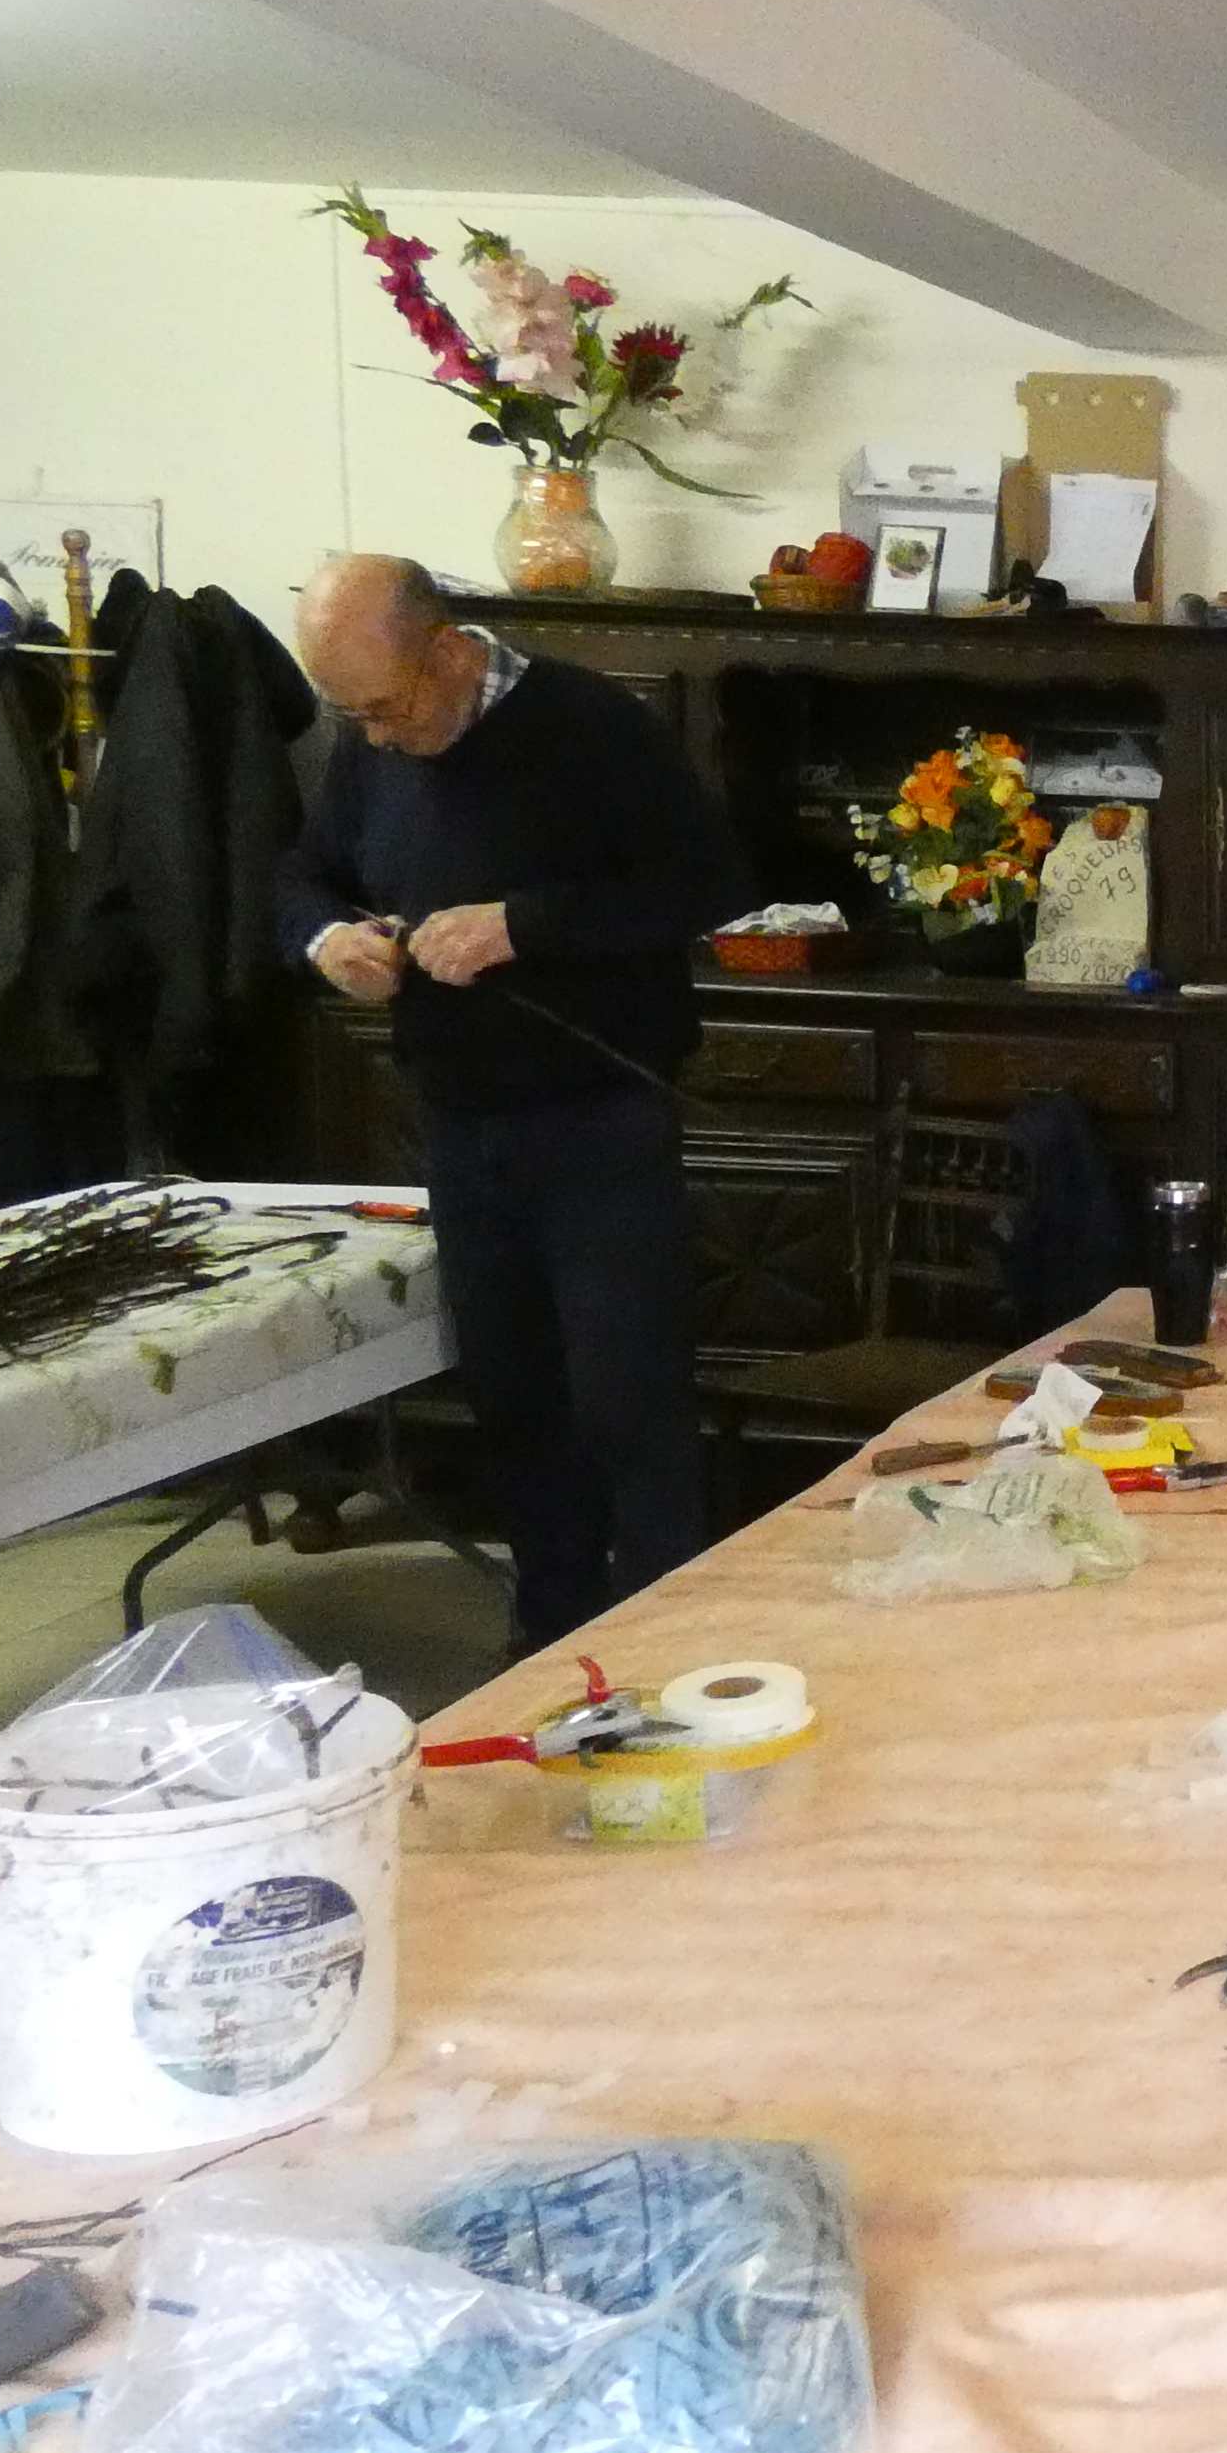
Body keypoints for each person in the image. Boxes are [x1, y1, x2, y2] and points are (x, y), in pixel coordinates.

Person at [279, 555, 745, 1654]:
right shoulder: (371, 741)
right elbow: (301, 874)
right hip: (456, 1119)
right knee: (515, 1400)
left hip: (599, 1116)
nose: (376, 736)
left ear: (448, 653)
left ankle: (668, 1642)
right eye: (353, 716)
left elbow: (707, 883)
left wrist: (519, 926)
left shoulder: (591, 725)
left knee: (625, 1399)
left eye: (386, 707)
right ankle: (548, 1638)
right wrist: (326, 938)